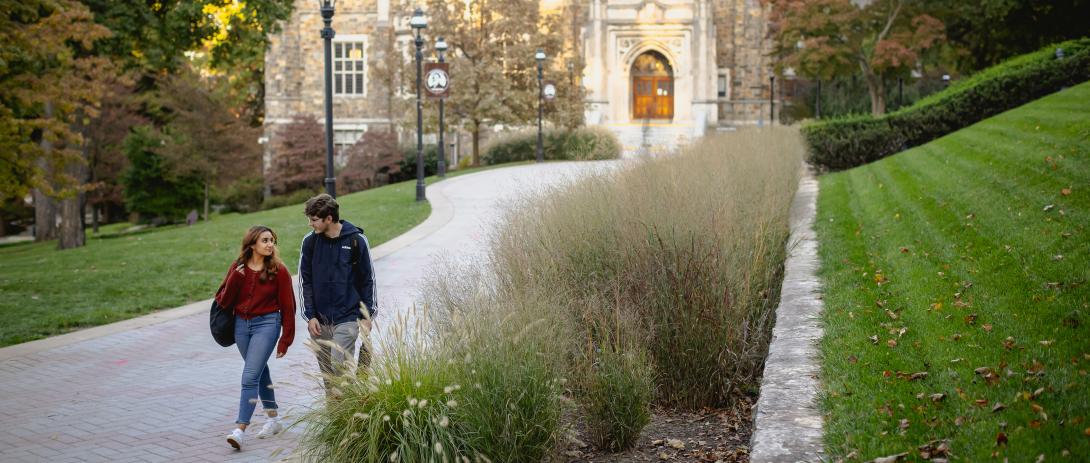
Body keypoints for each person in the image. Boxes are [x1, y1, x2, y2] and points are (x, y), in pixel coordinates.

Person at [215, 225, 296, 450]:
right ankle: (274, 419)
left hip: (268, 323)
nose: (270, 244)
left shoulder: (278, 270)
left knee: (250, 375)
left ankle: (240, 430)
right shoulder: (238, 267)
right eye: (265, 240)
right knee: (259, 372)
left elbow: (288, 307)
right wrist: (235, 279)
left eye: (272, 240)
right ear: (252, 244)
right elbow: (223, 301)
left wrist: (285, 339)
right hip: (241, 326)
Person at [298, 194, 377, 396]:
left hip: (348, 316)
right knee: (329, 378)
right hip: (320, 322)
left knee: (338, 366)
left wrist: (368, 315)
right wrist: (310, 316)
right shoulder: (310, 243)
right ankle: (339, 419)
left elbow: (368, 280)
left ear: (329, 218)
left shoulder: (356, 240)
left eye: (314, 219)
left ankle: (352, 413)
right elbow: (304, 281)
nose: (310, 224)